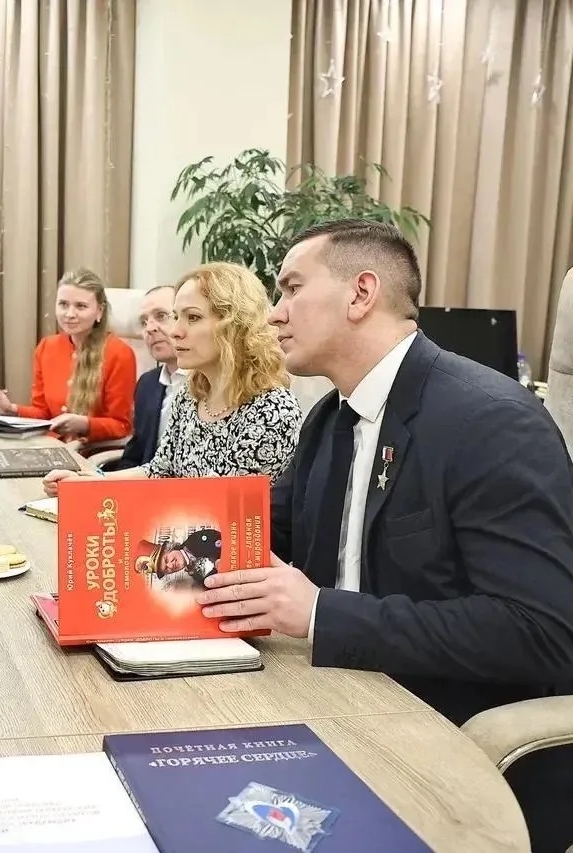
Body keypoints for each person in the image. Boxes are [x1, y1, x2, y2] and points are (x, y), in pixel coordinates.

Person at [195, 219, 573, 853]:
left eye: (291, 289)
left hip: (438, 735)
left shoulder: (492, 421)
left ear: (361, 293)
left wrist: (320, 612)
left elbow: (539, 633)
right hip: (330, 698)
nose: (275, 314)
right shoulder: (331, 418)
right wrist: (115, 528)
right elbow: (256, 526)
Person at [42, 262, 301, 496]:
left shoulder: (273, 410)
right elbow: (159, 471)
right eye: (176, 317)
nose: (175, 331)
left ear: (235, 325)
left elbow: (226, 510)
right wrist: (89, 481)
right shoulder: (190, 394)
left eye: (193, 317)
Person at [0, 268, 136, 445]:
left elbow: (121, 426)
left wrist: (86, 424)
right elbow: (43, 413)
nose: (69, 314)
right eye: (63, 304)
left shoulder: (120, 354)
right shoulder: (46, 347)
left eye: (81, 306)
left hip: (91, 450)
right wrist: (11, 409)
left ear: (99, 311)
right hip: (50, 445)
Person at [101, 282, 187, 471]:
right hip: (145, 483)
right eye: (144, 322)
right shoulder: (147, 384)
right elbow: (134, 456)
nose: (150, 328)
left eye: (161, 316)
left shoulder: (213, 384)